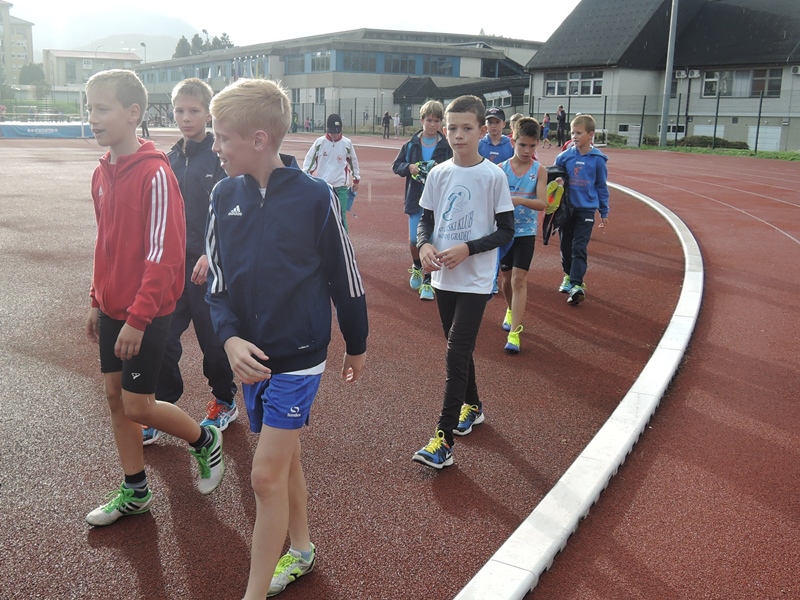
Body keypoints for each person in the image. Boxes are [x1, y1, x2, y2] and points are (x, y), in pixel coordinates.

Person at [205, 77, 368, 599]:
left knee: (264, 476)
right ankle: (301, 550)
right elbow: (217, 285)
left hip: (300, 356)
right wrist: (229, 340)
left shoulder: (316, 197)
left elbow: (345, 275)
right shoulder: (222, 195)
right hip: (250, 356)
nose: (215, 146)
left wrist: (356, 342)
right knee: (286, 458)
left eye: (222, 137)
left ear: (258, 139)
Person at [84, 69, 225, 527]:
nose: (92, 117)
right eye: (89, 108)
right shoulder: (101, 173)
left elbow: (164, 256)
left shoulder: (156, 173)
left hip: (145, 311)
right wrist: (96, 299)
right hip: (112, 308)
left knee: (139, 405)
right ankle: (135, 490)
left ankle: (203, 439)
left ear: (133, 113)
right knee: (115, 398)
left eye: (101, 108)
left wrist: (138, 318)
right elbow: (105, 243)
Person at [412, 95, 514, 469]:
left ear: (482, 130)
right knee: (459, 349)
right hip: (443, 277)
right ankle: (473, 404)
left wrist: (468, 248)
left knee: (455, 352)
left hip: (475, 279)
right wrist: (424, 245)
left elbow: (506, 231)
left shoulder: (493, 176)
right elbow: (426, 220)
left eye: (467, 128)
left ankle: (443, 440)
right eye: (452, 128)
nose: (458, 135)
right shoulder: (439, 174)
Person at [141, 78, 237, 446]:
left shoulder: (219, 157)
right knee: (162, 339)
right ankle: (163, 407)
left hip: (209, 269)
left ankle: (225, 400)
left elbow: (231, 213)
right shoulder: (169, 158)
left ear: (208, 114)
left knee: (213, 343)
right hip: (173, 269)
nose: (185, 117)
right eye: (180, 110)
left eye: (194, 110)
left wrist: (211, 254)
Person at [391, 100, 452, 301]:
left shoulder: (446, 146)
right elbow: (396, 165)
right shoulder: (411, 145)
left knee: (433, 240)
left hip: (438, 202)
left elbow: (455, 168)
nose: (433, 124)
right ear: (422, 120)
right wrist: (408, 167)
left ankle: (428, 279)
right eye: (429, 120)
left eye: (437, 121)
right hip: (415, 199)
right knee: (414, 240)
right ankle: (417, 265)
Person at [497, 117, 547, 353]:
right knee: (506, 280)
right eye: (522, 145)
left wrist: (518, 200)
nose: (527, 151)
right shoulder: (500, 170)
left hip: (526, 232)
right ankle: (510, 308)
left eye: (532, 146)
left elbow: (542, 203)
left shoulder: (539, 171)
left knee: (519, 280)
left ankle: (515, 333)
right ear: (513, 141)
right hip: (504, 232)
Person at [554, 113, 609, 305]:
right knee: (565, 246)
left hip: (586, 210)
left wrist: (604, 210)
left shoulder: (598, 160)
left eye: (579, 133)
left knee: (579, 246)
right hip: (566, 209)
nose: (574, 136)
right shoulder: (564, 157)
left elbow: (601, 186)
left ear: (590, 134)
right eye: (572, 133)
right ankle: (568, 275)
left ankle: (577, 284)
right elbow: (554, 180)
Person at [303, 113, 361, 230]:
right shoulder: (320, 143)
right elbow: (309, 162)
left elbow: (353, 162)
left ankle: (344, 239)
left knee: (341, 216)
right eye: (332, 132)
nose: (335, 135)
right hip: (322, 187)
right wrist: (305, 177)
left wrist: (356, 179)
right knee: (322, 216)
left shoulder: (347, 143)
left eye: (337, 132)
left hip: (340, 188)